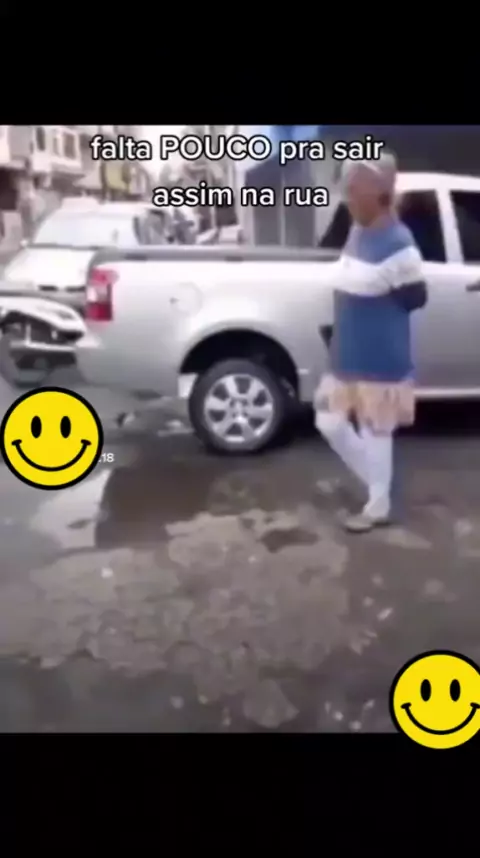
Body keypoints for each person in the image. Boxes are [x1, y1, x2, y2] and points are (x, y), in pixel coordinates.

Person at [314, 153, 428, 533]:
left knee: (376, 431)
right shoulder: (357, 232)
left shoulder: (400, 244)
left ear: (378, 193)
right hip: (345, 354)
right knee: (328, 421)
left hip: (379, 359)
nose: (346, 196)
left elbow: (416, 297)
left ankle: (379, 503)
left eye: (353, 189)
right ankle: (381, 485)